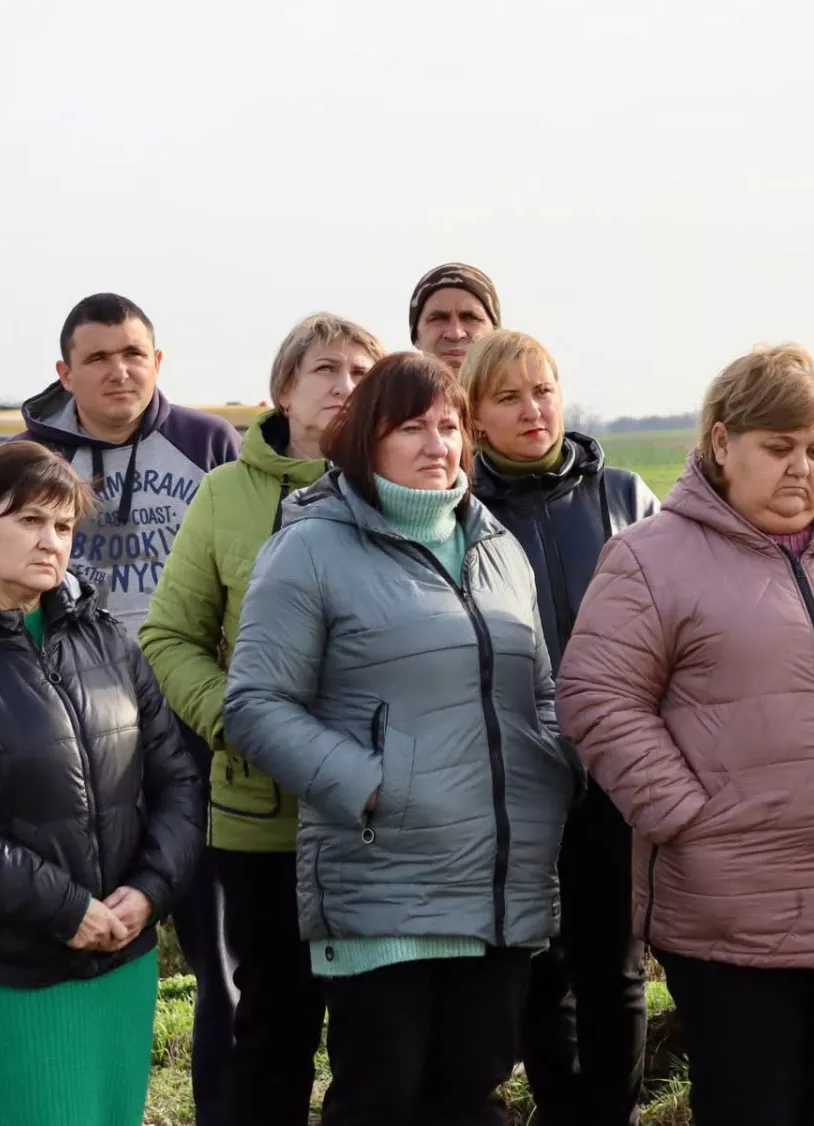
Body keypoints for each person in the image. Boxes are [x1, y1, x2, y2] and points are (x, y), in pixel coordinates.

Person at [555, 344, 814, 1126]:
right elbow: (596, 697)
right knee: (752, 1106)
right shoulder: (651, 558)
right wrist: (688, 816)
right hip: (731, 905)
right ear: (721, 444)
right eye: (777, 448)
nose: (802, 469)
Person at [224, 352, 577, 1126]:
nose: (437, 445)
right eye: (411, 427)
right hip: (384, 884)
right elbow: (254, 703)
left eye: (449, 426)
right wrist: (374, 785)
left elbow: (541, 695)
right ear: (364, 442)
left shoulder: (497, 548)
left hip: (499, 887)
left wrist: (549, 783)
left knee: (473, 1101)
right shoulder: (311, 548)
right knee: (381, 1103)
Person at [0, 440, 203, 1126]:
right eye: (28, 521)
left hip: (122, 954)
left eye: (62, 527)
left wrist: (148, 891)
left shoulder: (108, 638)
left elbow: (175, 779)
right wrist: (63, 909)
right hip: (5, 963)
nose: (50, 542)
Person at [139, 313, 384, 1126]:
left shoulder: (407, 489)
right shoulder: (225, 494)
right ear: (284, 390)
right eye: (325, 369)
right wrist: (237, 723)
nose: (344, 385)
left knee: (372, 1040)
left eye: (359, 370)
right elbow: (170, 635)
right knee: (270, 1031)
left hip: (378, 821)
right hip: (261, 814)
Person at [15, 291, 241, 1125]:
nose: (120, 370)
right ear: (64, 370)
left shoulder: (208, 444)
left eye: (135, 354)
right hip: (74, 730)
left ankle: (221, 1107)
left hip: (192, 719)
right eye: (100, 356)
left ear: (158, 361)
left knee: (223, 953)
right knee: (84, 936)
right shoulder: (31, 455)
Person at [458, 329, 657, 1126]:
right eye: (508, 397)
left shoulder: (625, 496)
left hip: (615, 771)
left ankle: (612, 1114)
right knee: (538, 969)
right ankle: (558, 1108)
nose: (532, 410)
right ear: (473, 418)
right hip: (514, 771)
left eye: (542, 390)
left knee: (617, 967)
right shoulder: (461, 508)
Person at [408, 262, 500, 373]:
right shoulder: (388, 390)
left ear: (495, 333)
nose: (455, 334)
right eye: (438, 319)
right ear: (416, 335)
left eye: (470, 318)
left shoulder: (525, 389)